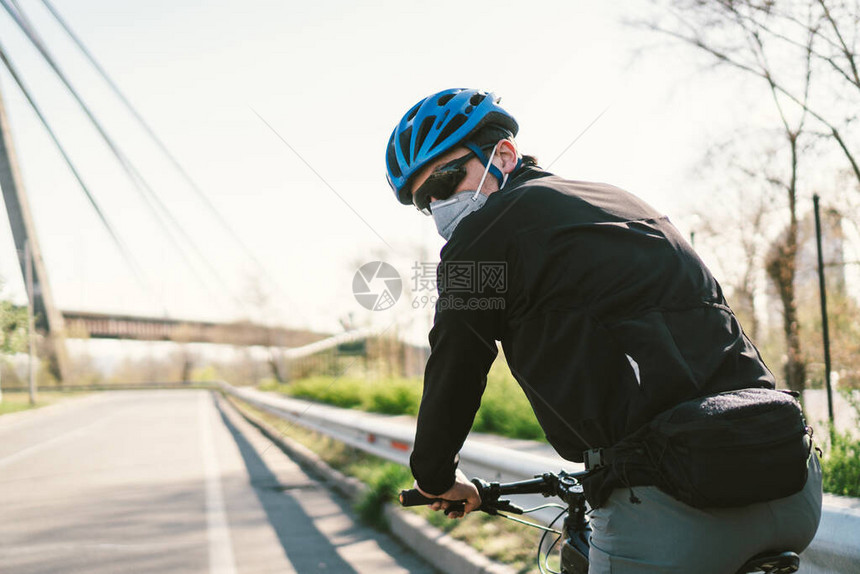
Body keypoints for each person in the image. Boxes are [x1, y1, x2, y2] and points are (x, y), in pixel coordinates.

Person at [385, 88, 823, 573]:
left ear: (503, 155)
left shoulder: (480, 240)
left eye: (446, 180)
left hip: (674, 514)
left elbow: (457, 365)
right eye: (426, 200)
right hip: (793, 485)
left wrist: (435, 477)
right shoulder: (624, 200)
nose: (441, 203)